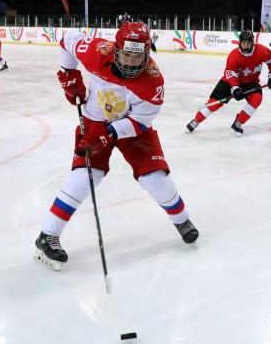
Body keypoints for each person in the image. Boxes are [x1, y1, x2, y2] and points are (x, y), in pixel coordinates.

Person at [34, 22, 198, 271]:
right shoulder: (96, 51)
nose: (131, 62)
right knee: (87, 174)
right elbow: (67, 39)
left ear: (147, 54)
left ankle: (182, 220)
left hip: (132, 127)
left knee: (154, 178)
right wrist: (69, 75)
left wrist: (110, 133)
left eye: (138, 56)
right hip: (94, 120)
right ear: (116, 50)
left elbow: (142, 120)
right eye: (127, 55)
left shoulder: (153, 83)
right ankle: (47, 235)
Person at [185, 30, 271, 136]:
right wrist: (235, 88)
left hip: (251, 81)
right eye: (244, 43)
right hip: (229, 81)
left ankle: (238, 123)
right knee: (214, 103)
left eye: (248, 43)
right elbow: (230, 73)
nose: (246, 46)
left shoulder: (262, 51)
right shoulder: (234, 55)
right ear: (240, 43)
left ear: (252, 42)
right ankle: (196, 121)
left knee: (256, 98)